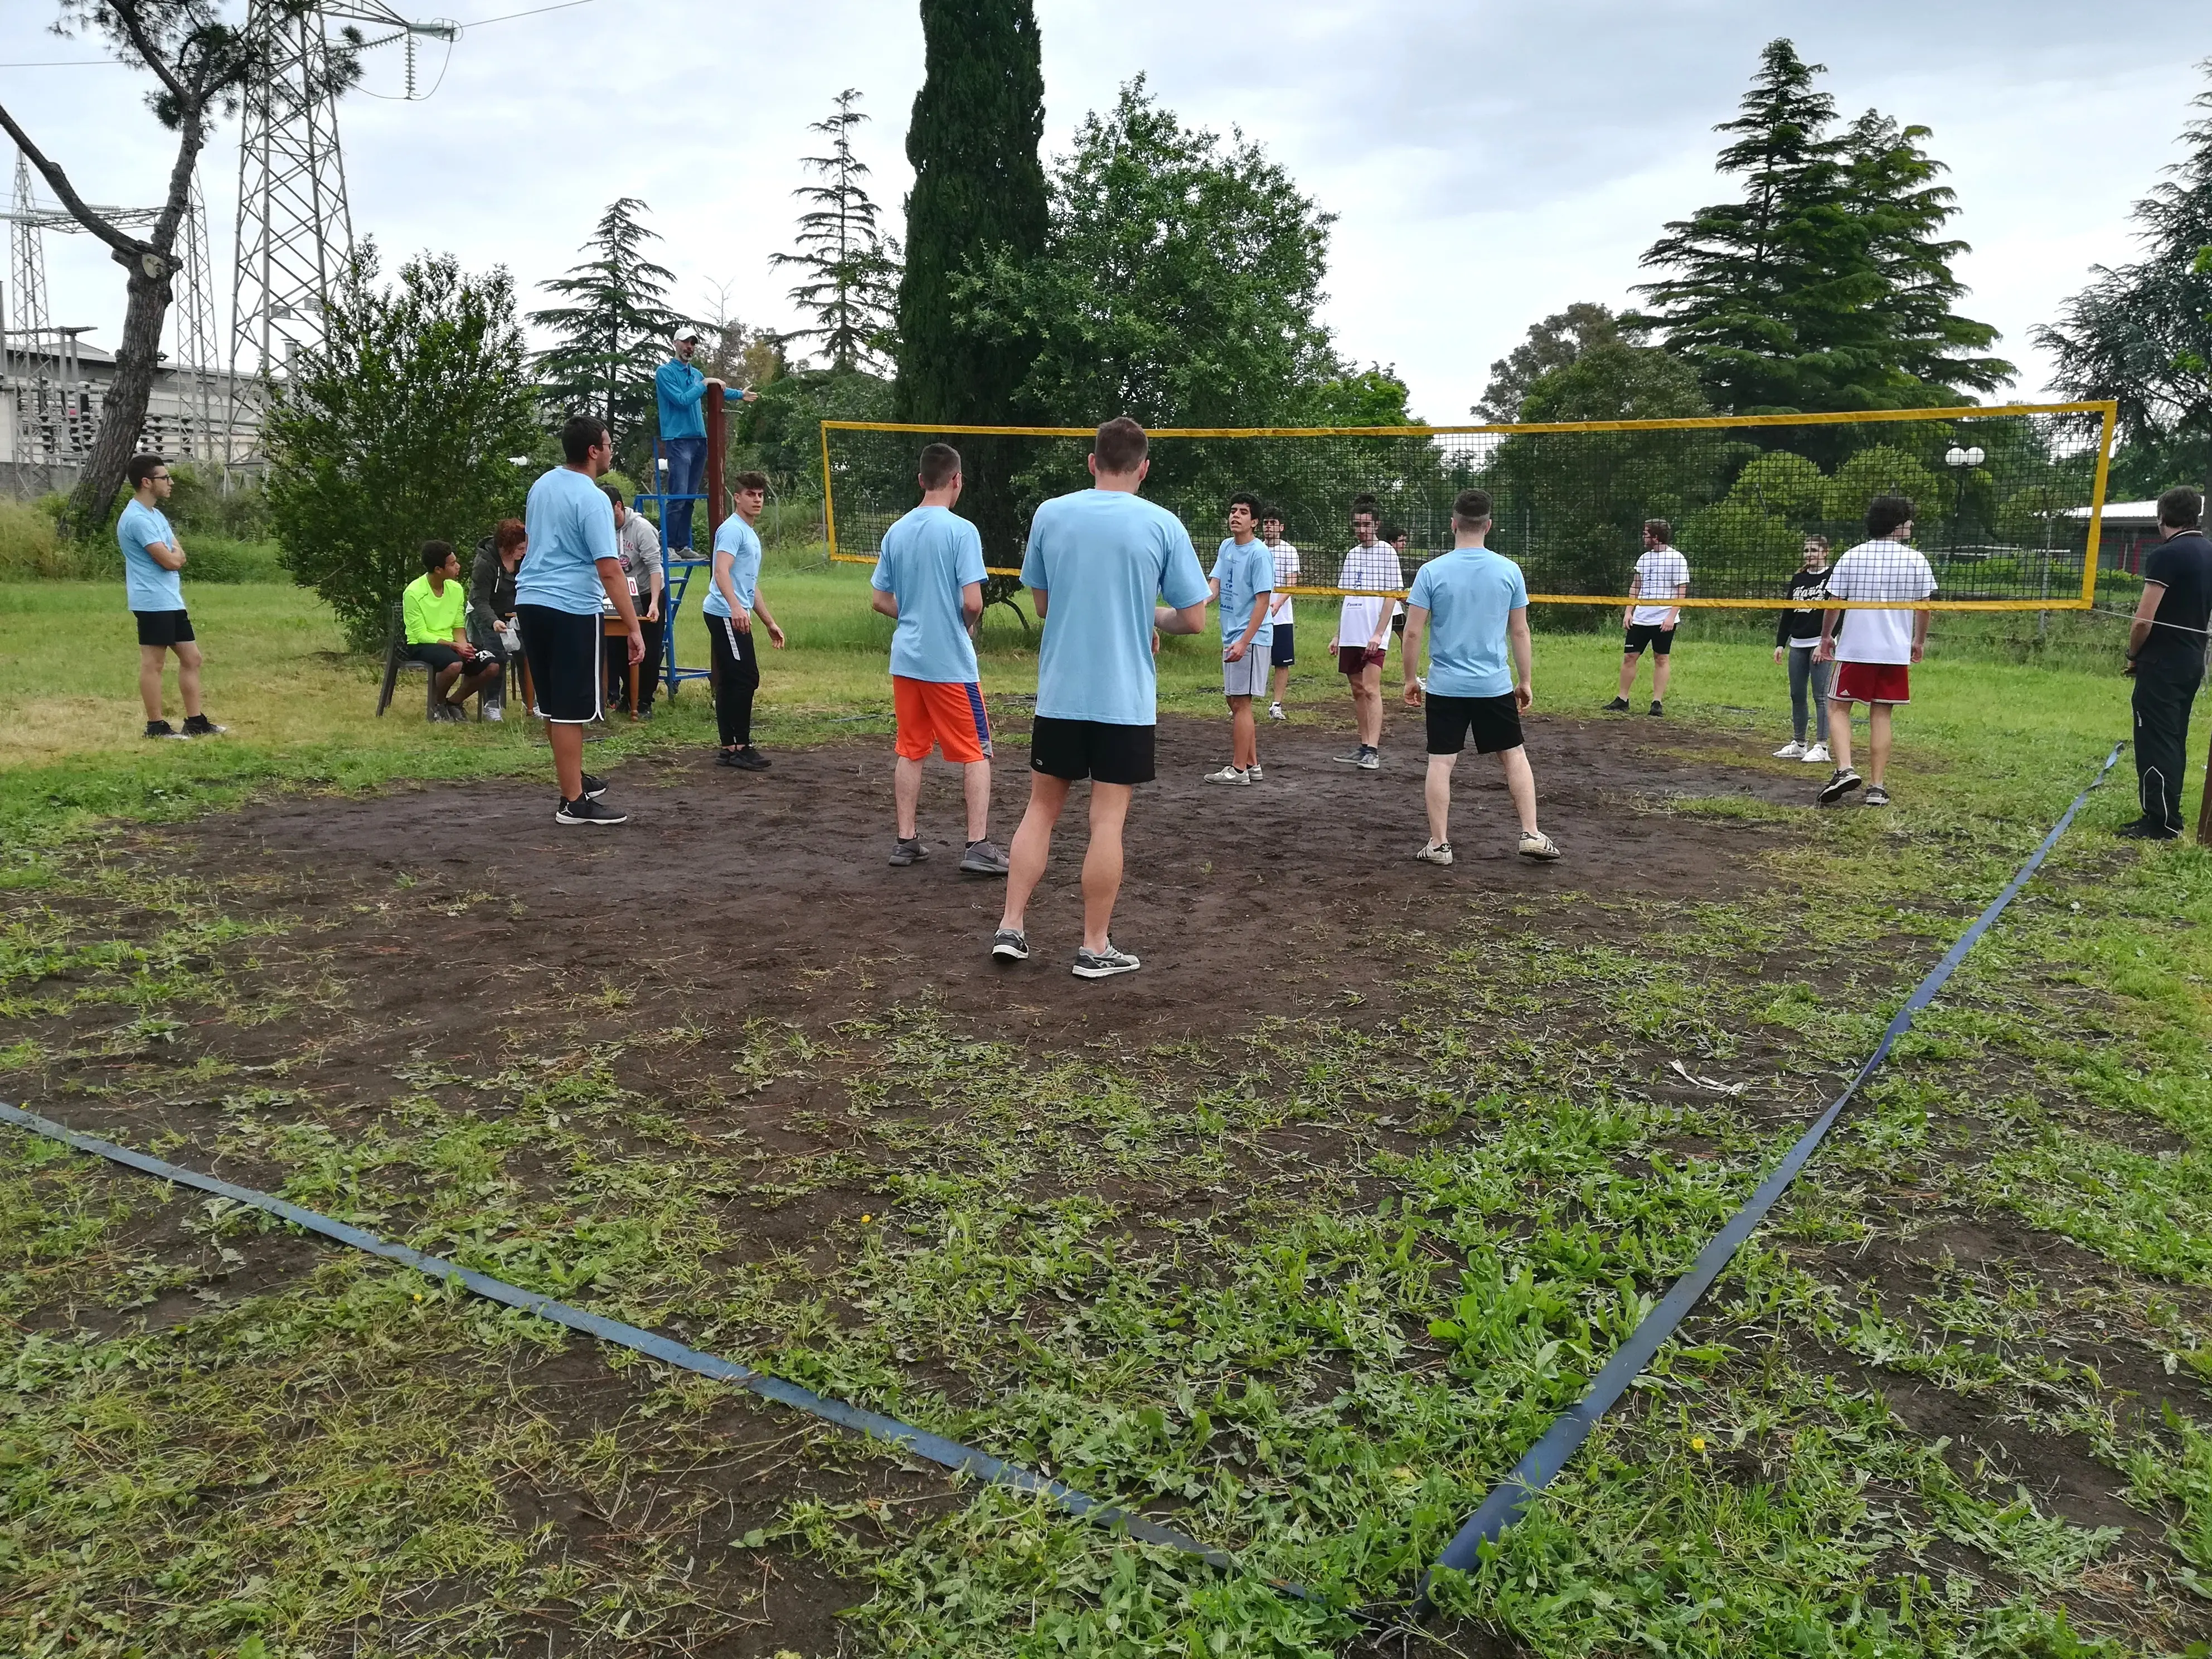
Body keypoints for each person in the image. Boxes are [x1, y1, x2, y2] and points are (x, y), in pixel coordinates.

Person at [993, 416, 1210, 978]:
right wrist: (1148, 616)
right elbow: (1193, 619)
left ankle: (1011, 927)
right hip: (1122, 701)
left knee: (1039, 810)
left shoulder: (1051, 513)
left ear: (1092, 462)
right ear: (1143, 467)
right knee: (1106, 823)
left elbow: (1043, 606)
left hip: (1060, 694)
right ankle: (1093, 947)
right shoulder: (1161, 523)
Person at [869, 442, 1010, 874]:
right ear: (957, 480)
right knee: (976, 752)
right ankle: (977, 844)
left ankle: (906, 840)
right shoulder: (961, 530)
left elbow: (879, 599)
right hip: (949, 662)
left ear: (920, 481)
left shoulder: (897, 530)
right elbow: (974, 603)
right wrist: (961, 623)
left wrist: (913, 613)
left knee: (911, 749)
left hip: (907, 661)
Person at [1401, 488, 1561, 866]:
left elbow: (1412, 632)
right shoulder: (1509, 570)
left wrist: (1410, 678)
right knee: (1515, 755)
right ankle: (1532, 835)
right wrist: (1525, 681)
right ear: (1489, 525)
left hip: (1446, 686)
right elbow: (1520, 632)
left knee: (1441, 763)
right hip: (1493, 684)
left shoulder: (1431, 571)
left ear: (1453, 523)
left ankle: (1439, 845)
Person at [519, 414, 643, 827]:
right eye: (609, 444)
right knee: (571, 709)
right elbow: (609, 569)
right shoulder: (592, 498)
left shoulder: (542, 484)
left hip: (530, 601)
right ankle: (573, 802)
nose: (611, 451)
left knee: (554, 704)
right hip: (569, 607)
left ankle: (572, 778)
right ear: (593, 451)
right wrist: (633, 626)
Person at [1815, 494, 1935, 807]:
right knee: (1881, 715)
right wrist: (1918, 642)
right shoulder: (1916, 560)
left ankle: (1844, 769)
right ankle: (1877, 788)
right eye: (1908, 520)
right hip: (1893, 652)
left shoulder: (1853, 556)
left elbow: (1834, 604)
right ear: (1897, 524)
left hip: (1857, 649)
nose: (1911, 526)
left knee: (1838, 707)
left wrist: (1826, 637)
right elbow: (1924, 609)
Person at [2121, 486, 2212, 840]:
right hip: (2192, 660)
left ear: (2162, 516)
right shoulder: (2208, 552)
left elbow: (2144, 620)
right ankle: (2168, 814)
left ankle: (2160, 822)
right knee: (2174, 737)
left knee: (2155, 738)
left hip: (2163, 661)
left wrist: (2134, 656)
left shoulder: (2167, 555)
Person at [117, 453, 222, 739]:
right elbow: (171, 560)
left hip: (170, 599)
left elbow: (178, 551)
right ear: (147, 482)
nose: (170, 482)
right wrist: (176, 556)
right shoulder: (137, 518)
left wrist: (176, 555)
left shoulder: (155, 515)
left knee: (193, 658)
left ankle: (196, 721)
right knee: (154, 663)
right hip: (152, 600)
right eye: (165, 477)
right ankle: (156, 726)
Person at [702, 469, 786, 770]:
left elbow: (749, 584)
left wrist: (769, 621)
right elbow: (721, 571)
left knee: (733, 680)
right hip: (725, 613)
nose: (757, 500)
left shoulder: (748, 533)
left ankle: (730, 747)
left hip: (734, 612)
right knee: (745, 678)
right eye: (750, 494)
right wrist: (736, 607)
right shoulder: (732, 530)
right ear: (736, 497)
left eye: (761, 495)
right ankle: (740, 747)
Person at [653, 328, 757, 558]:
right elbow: (682, 400)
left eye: (693, 343)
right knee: (678, 495)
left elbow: (714, 390)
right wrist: (705, 382)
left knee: (690, 497)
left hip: (699, 441)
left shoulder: (696, 374)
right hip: (678, 441)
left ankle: (682, 546)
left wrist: (739, 394)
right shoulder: (665, 373)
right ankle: (666, 546)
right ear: (675, 344)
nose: (690, 347)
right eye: (686, 343)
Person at [1205, 492, 1274, 785]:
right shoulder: (1226, 547)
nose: (1235, 516)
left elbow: (1263, 601)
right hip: (1232, 635)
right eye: (1233, 511)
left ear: (1254, 522)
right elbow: (1214, 587)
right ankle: (1252, 765)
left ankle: (1238, 770)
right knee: (1235, 702)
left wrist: (1245, 641)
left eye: (1243, 512)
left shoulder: (1259, 553)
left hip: (1251, 638)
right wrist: (1193, 605)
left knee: (1241, 703)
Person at [1331, 496, 1403, 769]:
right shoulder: (1351, 554)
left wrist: (1378, 633)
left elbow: (1392, 596)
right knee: (1357, 689)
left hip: (1374, 635)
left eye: (1366, 525)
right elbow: (1348, 597)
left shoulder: (1387, 553)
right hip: (1351, 632)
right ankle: (1362, 746)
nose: (1361, 530)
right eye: (1357, 525)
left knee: (1372, 689)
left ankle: (1373, 750)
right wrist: (1339, 634)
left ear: (1376, 525)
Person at [403, 541, 501, 720]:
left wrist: (464, 646)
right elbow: (420, 634)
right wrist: (455, 646)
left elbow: (458, 625)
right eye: (452, 564)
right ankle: (437, 705)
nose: (458, 566)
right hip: (423, 645)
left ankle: (454, 703)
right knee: (455, 664)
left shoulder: (455, 589)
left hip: (453, 644)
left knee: (492, 664)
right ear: (439, 570)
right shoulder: (413, 592)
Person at [1607, 520, 1689, 715]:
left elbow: (1681, 591)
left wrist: (1671, 616)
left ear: (1656, 537)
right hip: (1641, 618)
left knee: (1661, 658)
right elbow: (1636, 587)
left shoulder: (1676, 558)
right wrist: (1629, 612)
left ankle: (1657, 703)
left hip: (1663, 619)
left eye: (1645, 534)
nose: (1643, 537)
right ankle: (1622, 699)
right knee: (1629, 657)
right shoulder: (1644, 558)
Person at [1772, 535, 1833, 761]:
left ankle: (1822, 747)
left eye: (1814, 550)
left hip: (1819, 643)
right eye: (1807, 551)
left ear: (1825, 552)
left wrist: (1825, 642)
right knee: (1797, 694)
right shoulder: (1799, 578)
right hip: (1797, 644)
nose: (1809, 555)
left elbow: (1839, 612)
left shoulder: (1832, 577)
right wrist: (1781, 643)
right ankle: (1799, 743)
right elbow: (1788, 613)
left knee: (1821, 695)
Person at [607, 486, 666, 720]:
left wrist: (654, 603)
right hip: (620, 595)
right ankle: (626, 696)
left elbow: (654, 567)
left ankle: (644, 700)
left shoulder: (642, 529)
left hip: (645, 593)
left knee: (648, 650)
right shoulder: (604, 530)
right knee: (619, 648)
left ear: (619, 507)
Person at [469, 517, 527, 719]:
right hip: (486, 615)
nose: (524, 552)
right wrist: (493, 621)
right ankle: (491, 704)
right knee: (497, 652)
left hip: (514, 615)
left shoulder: (523, 561)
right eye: (520, 548)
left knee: (529, 651)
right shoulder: (485, 563)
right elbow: (479, 600)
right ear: (508, 546)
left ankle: (533, 703)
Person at [1262, 506, 1298, 721]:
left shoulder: (1289, 550)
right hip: (1256, 614)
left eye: (1273, 523)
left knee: (1281, 662)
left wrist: (1278, 604)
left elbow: (1291, 583)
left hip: (1281, 616)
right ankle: (1242, 701)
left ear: (1281, 527)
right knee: (1254, 658)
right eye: (1266, 523)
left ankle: (1276, 705)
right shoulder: (1255, 547)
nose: (1269, 527)